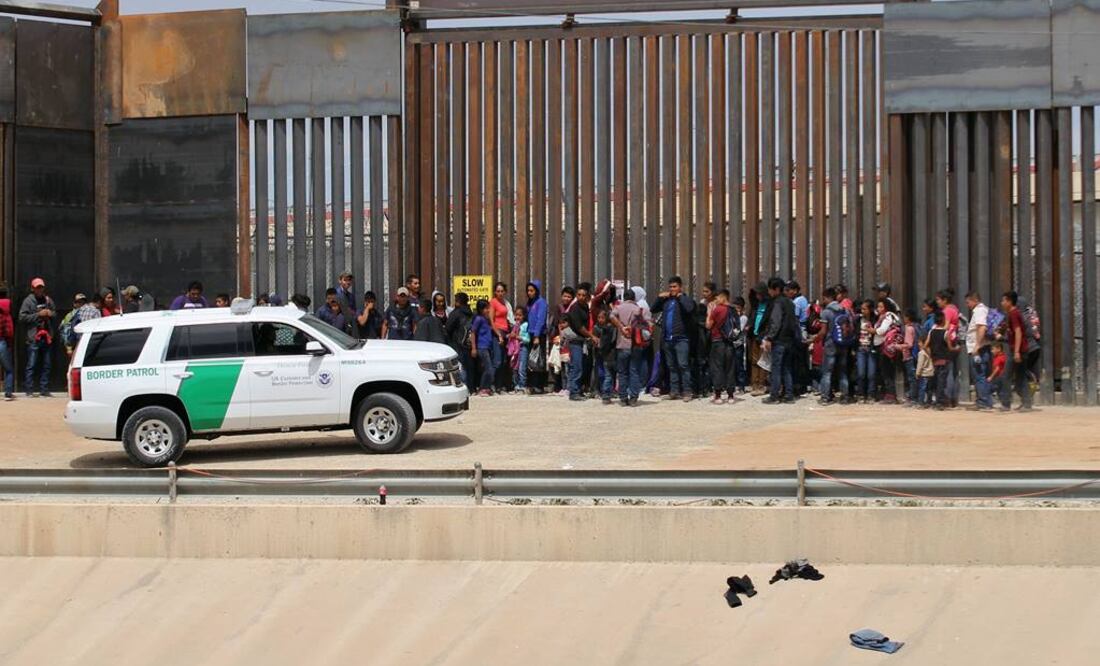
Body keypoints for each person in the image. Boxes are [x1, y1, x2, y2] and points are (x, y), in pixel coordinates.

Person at [651, 276, 696, 401]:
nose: (672, 289)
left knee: (683, 365)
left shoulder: (685, 299)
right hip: (667, 338)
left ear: (680, 287)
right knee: (671, 366)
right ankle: (674, 391)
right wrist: (660, 297)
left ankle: (687, 391)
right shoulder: (667, 301)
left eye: (675, 287)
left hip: (681, 338)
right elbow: (653, 309)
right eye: (670, 287)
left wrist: (680, 296)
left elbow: (690, 308)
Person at [611, 287, 651, 406]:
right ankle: (633, 397)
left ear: (624, 297)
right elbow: (648, 324)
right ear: (634, 298)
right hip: (636, 344)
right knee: (634, 371)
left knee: (622, 372)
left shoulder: (618, 307)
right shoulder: (639, 309)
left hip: (622, 345)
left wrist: (621, 327)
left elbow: (611, 316)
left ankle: (623, 398)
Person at [761, 277, 798, 404]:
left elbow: (775, 322)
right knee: (787, 368)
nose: (769, 292)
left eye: (770, 289)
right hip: (790, 340)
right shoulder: (790, 302)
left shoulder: (778, 303)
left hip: (779, 340)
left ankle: (774, 395)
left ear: (776, 289)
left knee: (776, 368)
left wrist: (769, 337)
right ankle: (788, 395)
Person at [18, 278, 56, 398]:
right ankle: (29, 389)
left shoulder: (48, 300)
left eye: (41, 287)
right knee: (31, 364)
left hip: (47, 336)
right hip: (34, 336)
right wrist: (38, 315)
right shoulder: (28, 301)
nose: (39, 289)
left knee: (47, 364)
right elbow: (22, 317)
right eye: (37, 287)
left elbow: (55, 313)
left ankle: (44, 389)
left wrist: (50, 314)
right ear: (32, 288)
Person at [999, 291, 1033, 412]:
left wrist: (1017, 351)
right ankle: (1026, 402)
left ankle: (1006, 403)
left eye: (1003, 300)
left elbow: (1018, 332)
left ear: (1009, 301)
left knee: (1006, 376)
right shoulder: (1012, 314)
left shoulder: (1014, 314)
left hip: (1018, 350)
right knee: (1020, 377)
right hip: (1019, 348)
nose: (1002, 303)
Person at [816, 287, 850, 405]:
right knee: (843, 372)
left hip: (831, 344)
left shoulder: (826, 312)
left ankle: (825, 397)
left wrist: (814, 339)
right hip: (843, 344)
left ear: (827, 297)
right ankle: (845, 397)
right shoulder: (844, 310)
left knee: (827, 372)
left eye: (824, 298)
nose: (823, 300)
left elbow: (823, 331)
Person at [705, 289, 739, 404]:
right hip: (730, 342)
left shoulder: (717, 309)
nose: (715, 300)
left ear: (723, 297)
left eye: (717, 298)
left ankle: (718, 395)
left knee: (717, 367)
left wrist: (710, 311)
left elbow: (708, 325)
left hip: (717, 341)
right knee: (730, 368)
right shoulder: (733, 310)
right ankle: (730, 396)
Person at [564, 283, 596, 401]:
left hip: (582, 341)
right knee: (576, 366)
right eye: (579, 295)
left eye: (584, 295)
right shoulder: (575, 308)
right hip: (575, 341)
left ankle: (578, 389)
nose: (581, 297)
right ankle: (574, 392)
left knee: (582, 366)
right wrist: (591, 336)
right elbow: (579, 327)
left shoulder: (585, 307)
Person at [965, 291, 993, 410]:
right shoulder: (984, 310)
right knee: (983, 374)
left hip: (979, 349)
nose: (967, 305)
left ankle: (983, 402)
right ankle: (985, 400)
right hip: (983, 347)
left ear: (974, 300)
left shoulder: (979, 311)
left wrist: (977, 345)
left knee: (979, 374)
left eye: (968, 302)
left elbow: (981, 327)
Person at [926, 310, 958, 410]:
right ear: (943, 320)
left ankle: (933, 400)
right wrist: (956, 348)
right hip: (944, 360)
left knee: (935, 380)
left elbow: (925, 345)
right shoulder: (946, 333)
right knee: (941, 381)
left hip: (934, 360)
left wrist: (930, 354)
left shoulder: (931, 332)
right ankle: (939, 401)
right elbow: (949, 347)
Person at [873, 299, 901, 403]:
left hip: (885, 348)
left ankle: (891, 395)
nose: (878, 309)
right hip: (885, 347)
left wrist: (871, 330)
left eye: (881, 307)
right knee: (886, 371)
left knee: (887, 371)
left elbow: (881, 331)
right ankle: (888, 394)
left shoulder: (888, 316)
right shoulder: (885, 317)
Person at [445, 292, 475, 384]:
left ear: (458, 301)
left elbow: (448, 328)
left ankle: (463, 385)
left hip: (457, 344)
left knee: (460, 366)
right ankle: (471, 387)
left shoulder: (456, 313)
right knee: (469, 366)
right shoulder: (471, 312)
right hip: (468, 344)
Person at [525, 280, 549, 394]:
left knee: (538, 359)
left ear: (537, 291)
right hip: (530, 333)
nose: (529, 293)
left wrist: (537, 336)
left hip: (538, 335)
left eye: (532, 291)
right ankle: (532, 384)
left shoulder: (541, 302)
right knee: (531, 360)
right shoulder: (530, 303)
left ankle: (539, 385)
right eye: (528, 291)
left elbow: (540, 320)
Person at [490, 282, 514, 392]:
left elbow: (509, 319)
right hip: (497, 333)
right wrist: (499, 335)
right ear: (495, 292)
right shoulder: (493, 302)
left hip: (505, 332)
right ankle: (491, 384)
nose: (500, 293)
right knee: (497, 361)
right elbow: (491, 321)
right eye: (498, 291)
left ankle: (499, 386)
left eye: (502, 291)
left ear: (505, 292)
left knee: (504, 361)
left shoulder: (505, 303)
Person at [470, 299, 494, 396]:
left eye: (488, 308)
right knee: (489, 369)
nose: (488, 310)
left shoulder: (485, 319)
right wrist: (474, 348)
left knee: (486, 369)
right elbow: (473, 332)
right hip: (481, 347)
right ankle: (482, 388)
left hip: (487, 347)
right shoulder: (479, 319)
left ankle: (486, 387)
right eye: (486, 308)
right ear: (480, 309)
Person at [854, 299, 877, 403]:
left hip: (871, 349)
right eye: (861, 309)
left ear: (870, 309)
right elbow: (855, 334)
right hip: (860, 349)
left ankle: (871, 394)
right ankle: (861, 394)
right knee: (861, 373)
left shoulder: (875, 320)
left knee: (871, 374)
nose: (862, 311)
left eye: (864, 309)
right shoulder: (858, 320)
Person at [899, 309, 920, 406]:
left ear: (908, 318)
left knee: (911, 378)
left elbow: (909, 344)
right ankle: (915, 397)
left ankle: (912, 398)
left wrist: (897, 346)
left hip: (909, 356)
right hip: (915, 355)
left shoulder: (908, 328)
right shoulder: (917, 326)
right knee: (914, 377)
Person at [731, 296, 749, 393]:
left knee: (739, 365)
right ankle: (732, 385)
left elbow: (737, 331)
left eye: (738, 308)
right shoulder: (731, 317)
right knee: (731, 365)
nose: (736, 310)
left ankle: (741, 386)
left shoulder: (743, 318)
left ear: (742, 308)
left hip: (738, 344)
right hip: (731, 344)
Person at [511, 305, 530, 392]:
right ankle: (516, 384)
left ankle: (522, 384)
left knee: (522, 367)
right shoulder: (515, 325)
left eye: (520, 315)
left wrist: (518, 337)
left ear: (524, 316)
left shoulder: (525, 325)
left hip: (523, 348)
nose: (518, 317)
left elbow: (528, 339)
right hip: (515, 349)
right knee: (515, 367)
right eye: (516, 315)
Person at [334, 271, 360, 338]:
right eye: (345, 280)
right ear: (340, 281)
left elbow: (353, 310)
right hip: (338, 327)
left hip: (348, 327)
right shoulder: (336, 294)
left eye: (349, 280)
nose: (347, 282)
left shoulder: (351, 296)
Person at [0, 283, 14, 400]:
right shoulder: (6, 311)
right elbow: (9, 328)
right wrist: (9, 341)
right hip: (2, 341)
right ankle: (8, 393)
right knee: (8, 370)